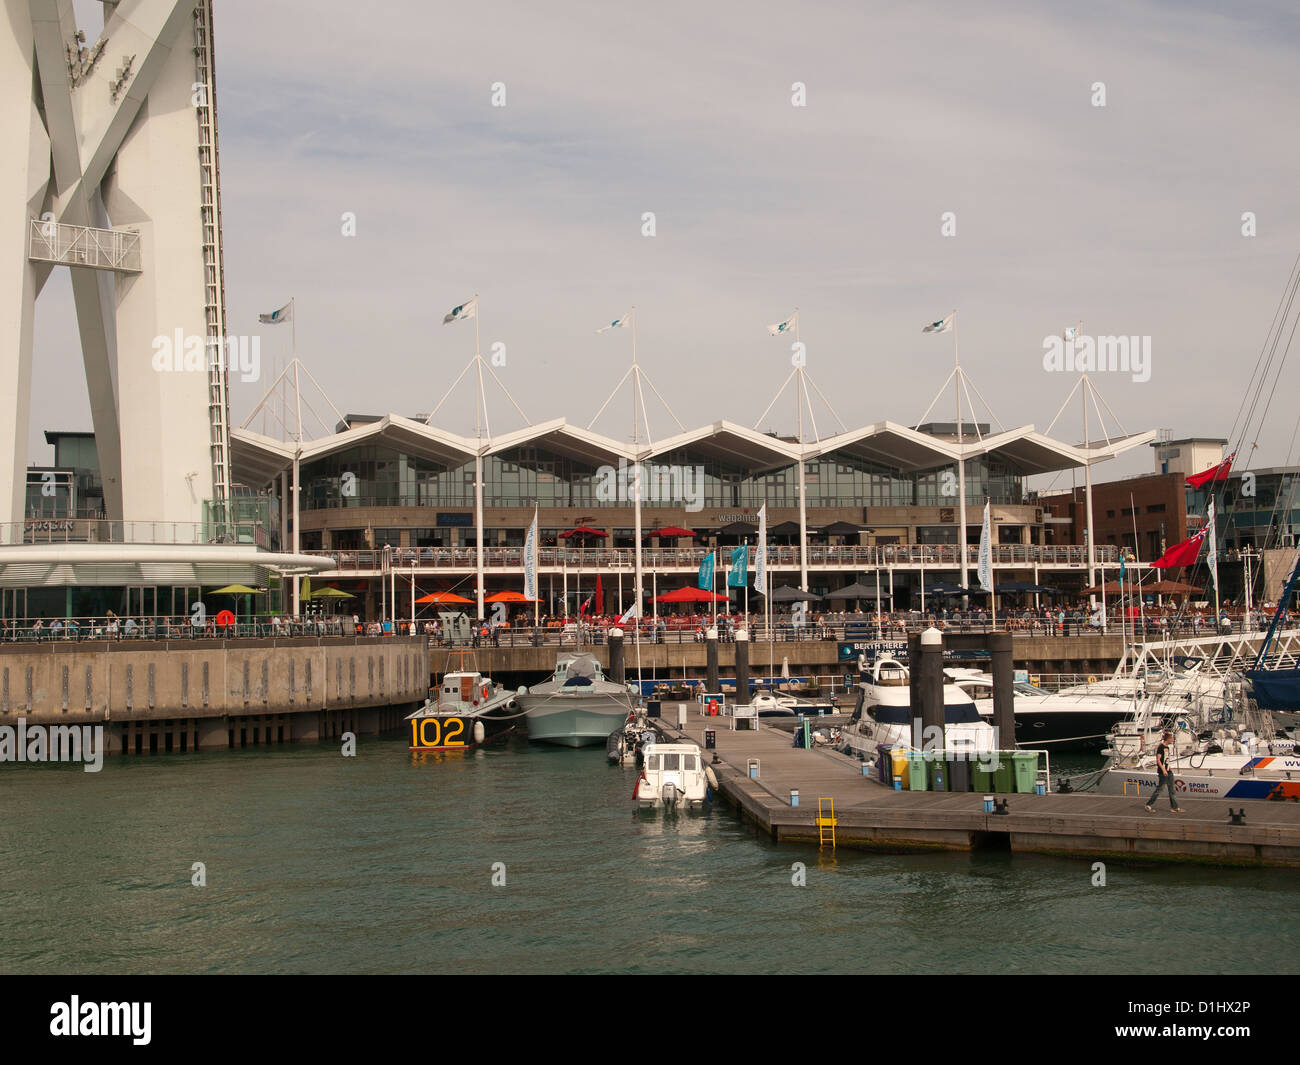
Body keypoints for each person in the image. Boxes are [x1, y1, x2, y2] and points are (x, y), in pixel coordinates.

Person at [1144, 730, 1183, 814]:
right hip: (1163, 772)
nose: (1172, 740)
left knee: (1172, 790)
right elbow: (1158, 760)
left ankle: (1174, 807)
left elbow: (1166, 760)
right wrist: (1163, 770)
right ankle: (1148, 804)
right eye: (1171, 738)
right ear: (1168, 739)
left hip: (1168, 771)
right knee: (1160, 789)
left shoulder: (1167, 748)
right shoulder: (1161, 747)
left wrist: (1169, 768)